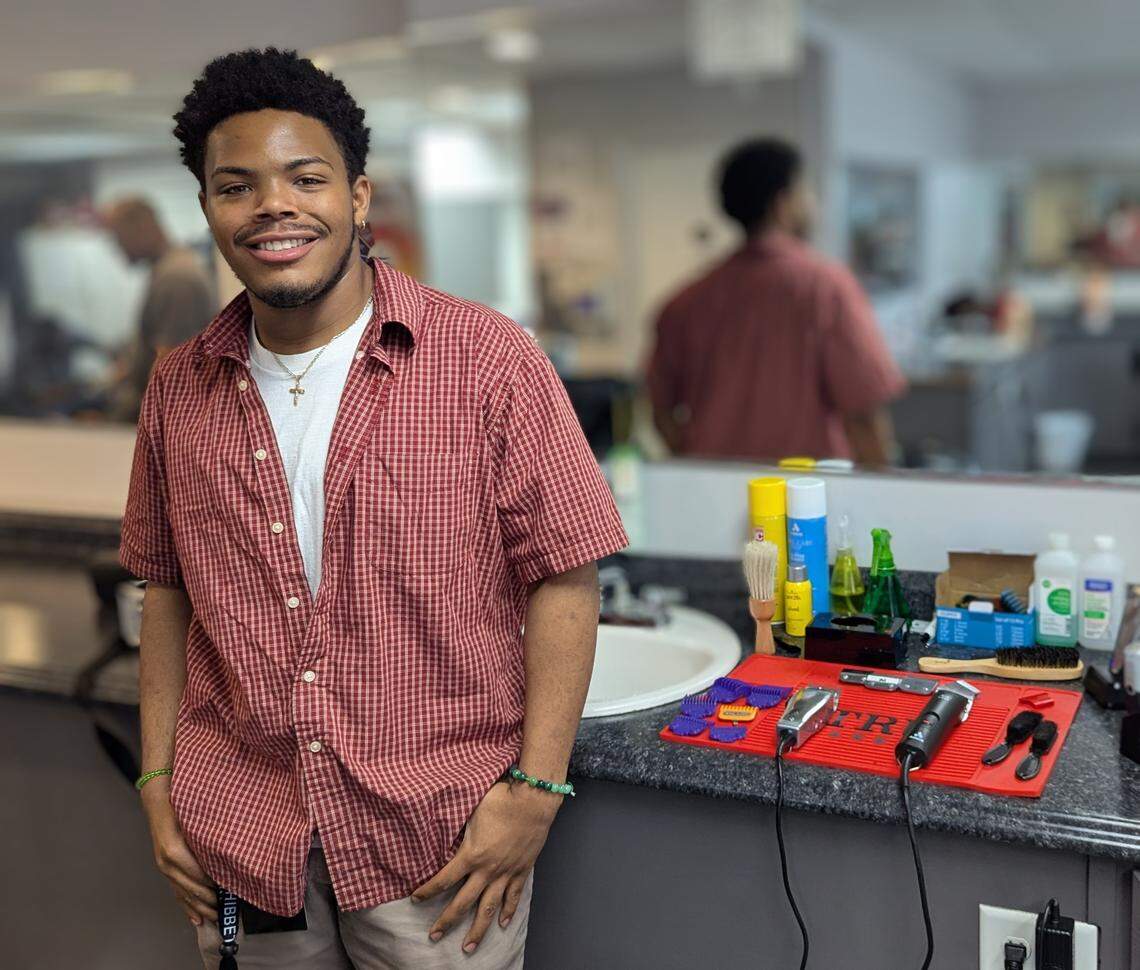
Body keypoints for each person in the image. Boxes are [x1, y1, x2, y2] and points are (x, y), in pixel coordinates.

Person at [119, 47, 628, 969]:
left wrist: (537, 789)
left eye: (305, 177)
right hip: (240, 836)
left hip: (436, 841)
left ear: (357, 198)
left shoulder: (487, 360)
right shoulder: (177, 388)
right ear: (208, 211)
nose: (273, 204)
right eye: (236, 186)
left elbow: (565, 575)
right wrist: (158, 782)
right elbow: (167, 592)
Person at [646, 137, 906, 465]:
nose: (814, 204)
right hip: (807, 500)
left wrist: (702, 465)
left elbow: (660, 411)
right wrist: (882, 490)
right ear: (783, 204)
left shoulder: (683, 303)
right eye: (806, 192)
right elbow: (864, 414)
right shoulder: (824, 287)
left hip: (712, 493)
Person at [102, 197, 217, 422]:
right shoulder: (167, 270)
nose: (117, 249)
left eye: (118, 238)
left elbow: (173, 371)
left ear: (141, 228)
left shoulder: (176, 278)